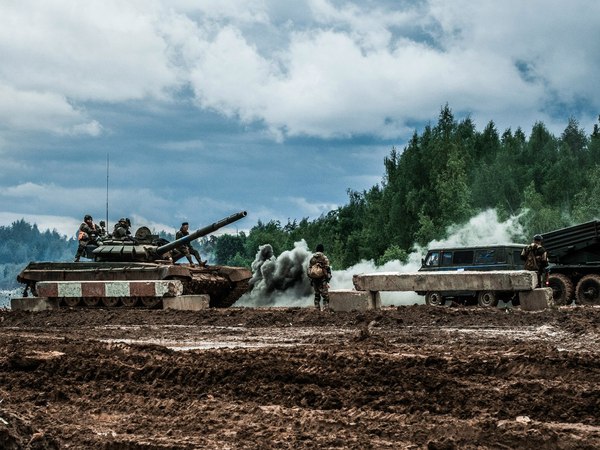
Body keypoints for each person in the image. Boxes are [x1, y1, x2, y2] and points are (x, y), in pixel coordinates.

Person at [307, 243, 332, 310]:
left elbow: (309, 269)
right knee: (325, 296)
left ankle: (317, 309)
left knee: (317, 295)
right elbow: (327, 268)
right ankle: (325, 309)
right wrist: (328, 278)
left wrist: (311, 280)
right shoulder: (324, 258)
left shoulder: (312, 258)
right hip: (322, 279)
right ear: (322, 250)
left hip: (314, 279)